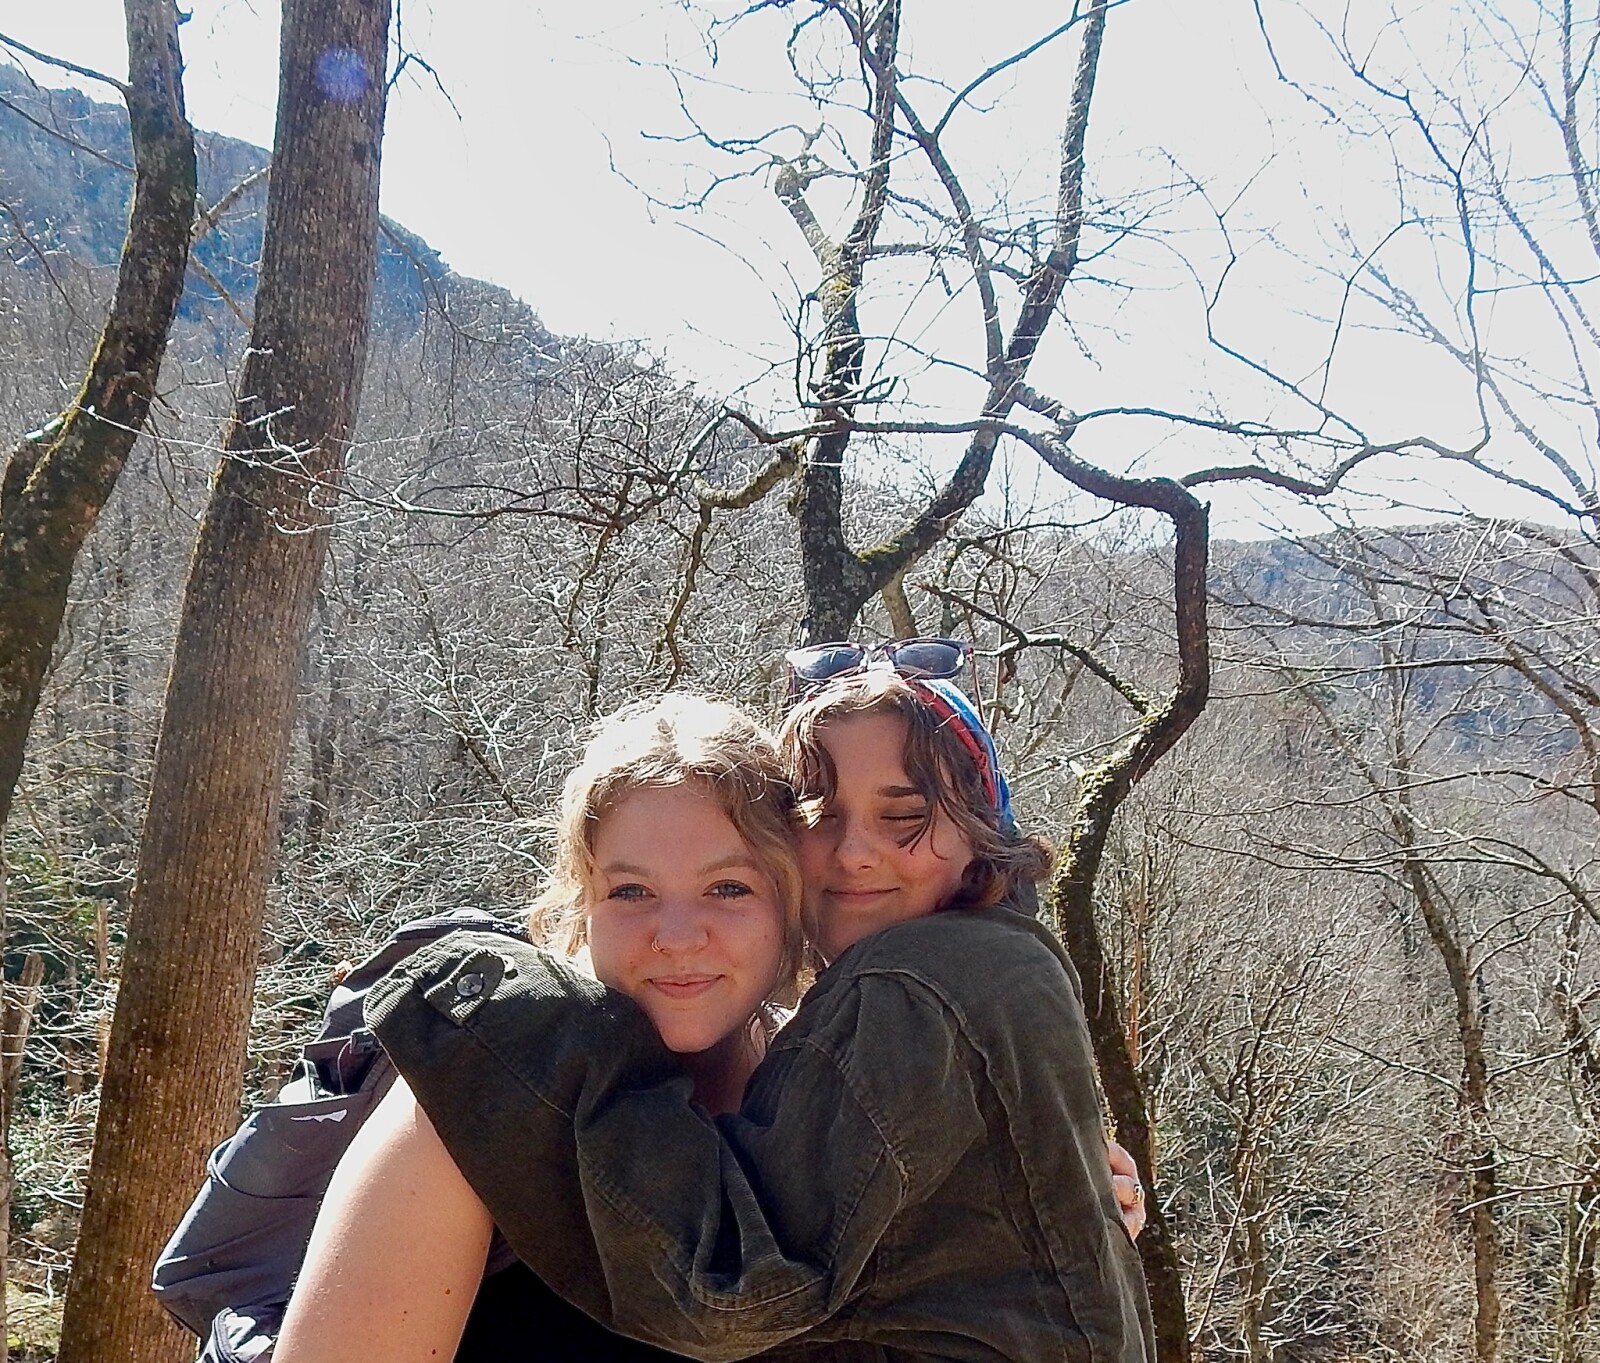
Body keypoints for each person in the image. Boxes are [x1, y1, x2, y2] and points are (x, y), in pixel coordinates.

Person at [353, 651, 1154, 1362]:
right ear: (583, 899)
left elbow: (736, 1288)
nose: (854, 850)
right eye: (630, 890)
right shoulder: (466, 1101)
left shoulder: (905, 991)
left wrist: (483, 1009)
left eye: (727, 887)